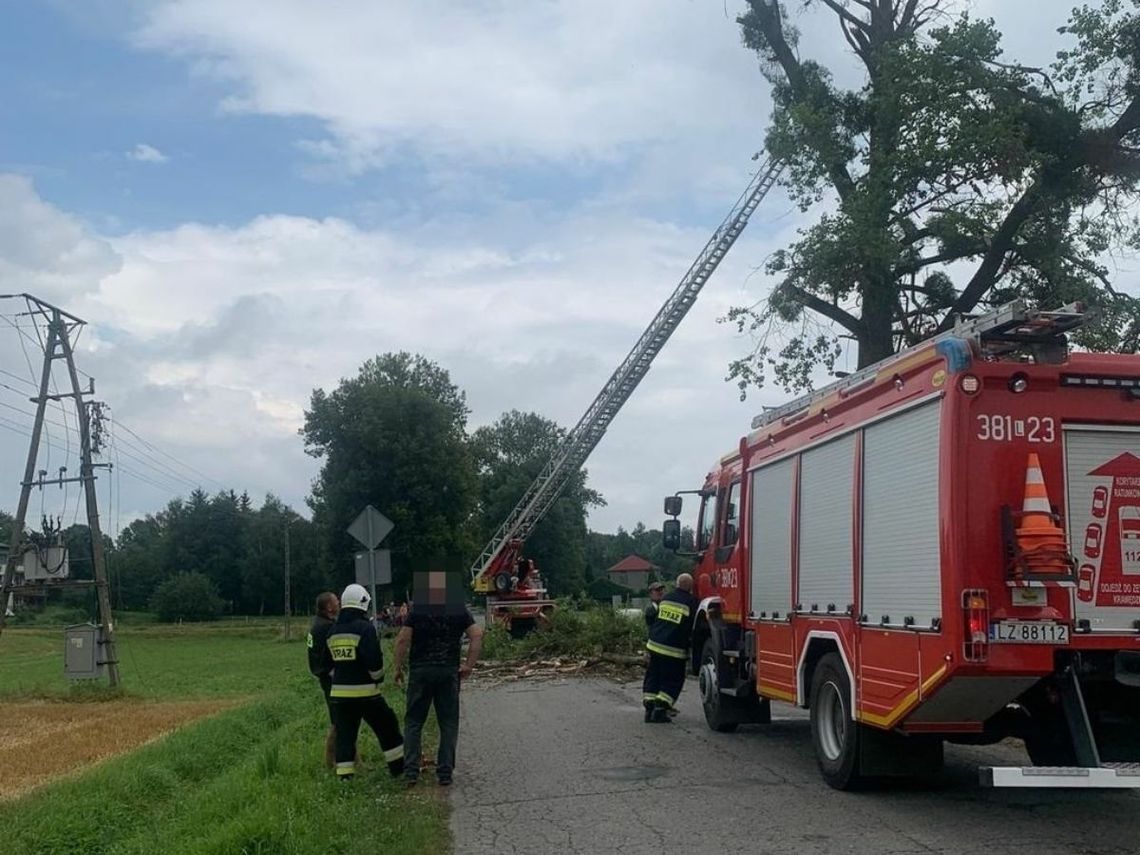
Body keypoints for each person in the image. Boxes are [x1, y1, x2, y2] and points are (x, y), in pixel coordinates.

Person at [392, 570, 484, 787]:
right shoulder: (458, 610)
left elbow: (403, 640)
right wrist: (468, 665)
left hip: (420, 672)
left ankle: (411, 771)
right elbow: (477, 635)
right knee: (448, 722)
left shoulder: (417, 612)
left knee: (414, 721)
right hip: (448, 672)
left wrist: (398, 668)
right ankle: (445, 773)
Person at [320, 583, 405, 781]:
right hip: (366, 694)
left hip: (340, 696)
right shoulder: (365, 629)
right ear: (362, 603)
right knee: (387, 727)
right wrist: (379, 678)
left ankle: (345, 777)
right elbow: (374, 662)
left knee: (346, 737)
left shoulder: (332, 631)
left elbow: (326, 664)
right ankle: (398, 768)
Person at [643, 573, 697, 723]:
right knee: (672, 679)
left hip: (654, 645)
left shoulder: (666, 598)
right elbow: (694, 628)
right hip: (673, 649)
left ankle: (649, 708)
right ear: (691, 587)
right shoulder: (691, 602)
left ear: (676, 584)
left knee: (653, 676)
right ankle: (660, 710)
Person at [306, 591, 340, 767]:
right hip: (331, 677)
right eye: (335, 601)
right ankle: (330, 761)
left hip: (324, 676)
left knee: (340, 719)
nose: (339, 603)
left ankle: (352, 759)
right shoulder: (326, 627)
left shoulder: (317, 625)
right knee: (338, 720)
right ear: (328, 607)